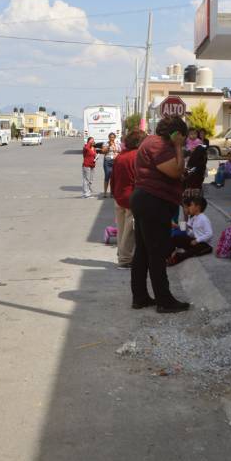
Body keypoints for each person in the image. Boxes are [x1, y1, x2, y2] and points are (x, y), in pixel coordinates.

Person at [129, 115, 191, 313]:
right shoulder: (160, 145)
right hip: (153, 202)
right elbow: (175, 171)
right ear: (175, 134)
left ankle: (140, 297)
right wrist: (179, 147)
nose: (183, 141)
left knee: (143, 251)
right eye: (182, 136)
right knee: (157, 252)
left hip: (145, 200)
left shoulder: (151, 141)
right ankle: (164, 301)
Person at [111, 129, 144, 268]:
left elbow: (113, 177)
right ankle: (125, 259)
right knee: (129, 231)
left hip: (119, 197)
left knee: (121, 228)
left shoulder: (120, 156)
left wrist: (114, 193)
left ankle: (121, 255)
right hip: (131, 197)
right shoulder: (137, 156)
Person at [167, 196, 214, 266]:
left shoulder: (203, 219)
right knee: (175, 238)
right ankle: (167, 255)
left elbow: (210, 234)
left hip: (205, 245)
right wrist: (177, 226)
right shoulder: (194, 217)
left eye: (191, 205)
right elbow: (190, 229)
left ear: (197, 207)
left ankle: (175, 259)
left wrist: (197, 240)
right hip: (195, 241)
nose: (189, 207)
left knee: (189, 252)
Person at [100, 132, 120, 198]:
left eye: (113, 137)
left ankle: (112, 192)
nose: (112, 138)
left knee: (113, 177)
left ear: (115, 138)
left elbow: (120, 151)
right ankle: (105, 193)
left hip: (115, 162)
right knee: (107, 176)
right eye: (110, 137)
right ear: (108, 137)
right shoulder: (106, 143)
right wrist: (109, 146)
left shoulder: (117, 144)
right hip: (107, 161)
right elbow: (103, 151)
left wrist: (116, 150)